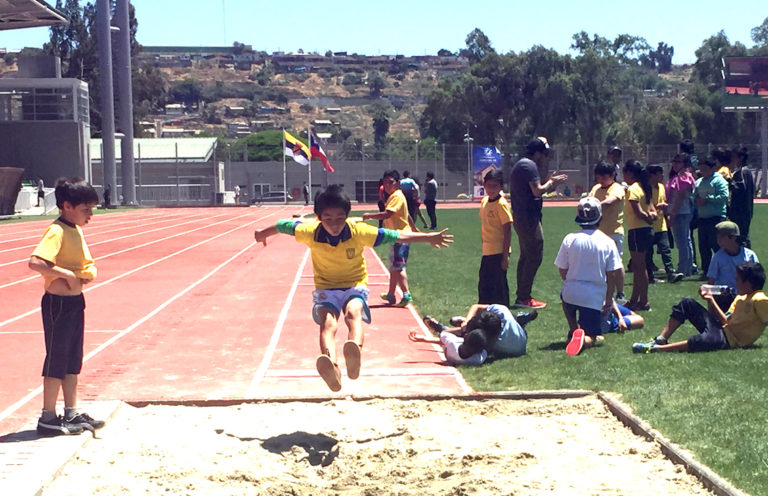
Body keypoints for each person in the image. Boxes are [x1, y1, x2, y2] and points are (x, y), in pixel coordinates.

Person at [253, 184, 452, 391]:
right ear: (319, 218)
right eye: (328, 219)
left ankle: (354, 351)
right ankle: (332, 366)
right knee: (328, 323)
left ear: (347, 216)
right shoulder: (310, 231)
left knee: (352, 313)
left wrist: (429, 237)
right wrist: (261, 233)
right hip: (326, 288)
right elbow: (282, 225)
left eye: (340, 218)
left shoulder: (359, 231)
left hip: (354, 285)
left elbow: (397, 236)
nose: (334, 224)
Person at [28, 178, 105, 436]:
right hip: (58, 303)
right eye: (86, 209)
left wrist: (86, 273)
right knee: (57, 360)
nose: (90, 216)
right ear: (67, 206)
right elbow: (36, 262)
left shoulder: (76, 230)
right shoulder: (57, 231)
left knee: (73, 360)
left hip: (74, 303)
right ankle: (48, 416)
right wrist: (68, 275)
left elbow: (87, 262)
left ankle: (71, 411)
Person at [633, 262, 768, 354]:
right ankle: (661, 339)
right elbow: (725, 320)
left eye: (738, 279)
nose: (736, 283)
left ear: (749, 283)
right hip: (722, 330)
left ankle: (656, 349)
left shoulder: (759, 299)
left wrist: (711, 299)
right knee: (688, 303)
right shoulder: (740, 298)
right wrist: (710, 300)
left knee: (700, 340)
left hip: (730, 341)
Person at [554, 196, 623, 356]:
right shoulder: (608, 242)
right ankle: (584, 339)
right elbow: (611, 273)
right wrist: (609, 297)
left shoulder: (569, 238)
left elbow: (562, 269)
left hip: (570, 292)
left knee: (565, 295)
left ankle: (573, 329)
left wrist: (570, 282)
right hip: (593, 297)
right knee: (598, 337)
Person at [508, 137, 568, 309]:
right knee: (535, 253)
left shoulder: (523, 164)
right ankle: (524, 297)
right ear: (537, 152)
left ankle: (522, 296)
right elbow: (537, 191)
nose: (545, 156)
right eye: (543, 153)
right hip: (528, 217)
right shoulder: (529, 165)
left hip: (523, 216)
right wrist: (552, 182)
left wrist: (550, 184)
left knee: (527, 255)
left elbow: (536, 190)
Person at [362, 170, 417, 307]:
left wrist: (369, 216)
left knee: (398, 266)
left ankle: (406, 294)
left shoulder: (396, 196)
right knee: (393, 266)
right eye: (385, 182)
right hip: (396, 235)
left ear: (397, 183)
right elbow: (407, 214)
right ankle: (391, 294)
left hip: (400, 236)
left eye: (390, 182)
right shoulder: (396, 196)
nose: (387, 185)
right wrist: (414, 228)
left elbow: (387, 214)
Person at [411, 304, 531, 365]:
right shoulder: (501, 310)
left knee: (466, 335)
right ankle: (519, 319)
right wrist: (467, 321)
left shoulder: (489, 344)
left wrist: (464, 329)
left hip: (516, 340)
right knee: (512, 319)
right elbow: (476, 306)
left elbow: (446, 337)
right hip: (522, 339)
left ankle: (447, 326)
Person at [589, 160, 627, 303]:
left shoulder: (616, 188)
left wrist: (592, 205)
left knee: (616, 263)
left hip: (613, 232)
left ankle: (621, 292)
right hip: (597, 232)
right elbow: (590, 199)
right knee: (599, 263)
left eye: (604, 177)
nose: (601, 180)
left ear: (612, 175)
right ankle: (603, 290)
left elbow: (610, 201)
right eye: (598, 177)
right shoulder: (596, 188)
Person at [623, 160, 657, 311]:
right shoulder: (645, 187)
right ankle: (634, 299)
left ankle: (643, 300)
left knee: (639, 266)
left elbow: (638, 211)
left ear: (630, 173)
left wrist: (647, 218)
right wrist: (651, 217)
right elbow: (653, 210)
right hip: (646, 231)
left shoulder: (634, 188)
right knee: (638, 267)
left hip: (637, 230)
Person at [477, 169, 513, 307]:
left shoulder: (501, 204)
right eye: (488, 185)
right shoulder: (485, 201)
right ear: (484, 185)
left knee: (499, 287)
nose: (491, 189)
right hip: (487, 251)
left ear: (500, 187)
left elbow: (508, 229)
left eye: (495, 186)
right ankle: (485, 313)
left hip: (498, 252)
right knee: (484, 285)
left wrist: (505, 257)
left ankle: (503, 313)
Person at [706, 221, 759, 310]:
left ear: (733, 238)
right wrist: (711, 307)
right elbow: (711, 283)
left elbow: (756, 280)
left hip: (743, 297)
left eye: (722, 237)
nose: (718, 241)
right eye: (717, 238)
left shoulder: (749, 255)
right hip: (724, 298)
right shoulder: (717, 257)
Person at [645, 164, 683, 283]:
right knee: (648, 252)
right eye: (659, 174)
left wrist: (666, 211)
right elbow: (644, 207)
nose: (662, 176)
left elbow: (664, 202)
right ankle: (649, 277)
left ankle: (671, 273)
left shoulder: (661, 186)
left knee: (665, 250)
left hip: (661, 224)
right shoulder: (645, 189)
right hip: (649, 225)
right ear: (652, 175)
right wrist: (657, 207)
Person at [693, 157, 729, 276]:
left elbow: (724, 197)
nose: (702, 171)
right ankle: (707, 271)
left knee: (717, 245)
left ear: (713, 168)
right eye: (700, 168)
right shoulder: (699, 182)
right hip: (702, 218)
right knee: (703, 247)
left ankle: (722, 269)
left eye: (705, 168)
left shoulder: (719, 181)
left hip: (716, 218)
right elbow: (693, 197)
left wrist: (708, 199)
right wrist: (696, 200)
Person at [666, 153, 696, 276]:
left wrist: (672, 213)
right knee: (686, 240)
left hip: (680, 212)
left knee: (682, 242)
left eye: (678, 162)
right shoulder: (683, 176)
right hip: (685, 212)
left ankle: (683, 268)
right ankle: (688, 266)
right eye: (674, 161)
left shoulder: (683, 177)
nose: (675, 164)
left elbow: (679, 197)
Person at [727, 146, 755, 247]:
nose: (732, 159)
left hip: (741, 211)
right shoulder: (746, 172)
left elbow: (740, 188)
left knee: (742, 237)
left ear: (741, 158)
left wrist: (729, 182)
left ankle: (747, 260)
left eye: (734, 157)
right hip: (744, 211)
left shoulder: (743, 171)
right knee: (742, 236)